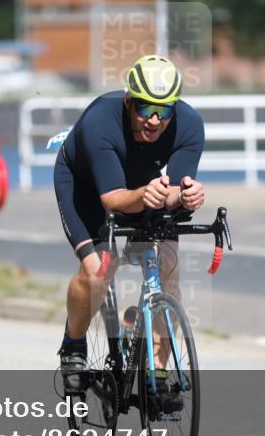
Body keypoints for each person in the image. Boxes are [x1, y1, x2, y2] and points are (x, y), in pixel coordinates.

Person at [52, 54, 206, 390]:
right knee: (100, 270)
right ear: (127, 101)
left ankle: (158, 372)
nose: (153, 119)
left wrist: (185, 196)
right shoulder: (100, 122)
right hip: (87, 187)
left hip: (141, 184)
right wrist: (147, 195)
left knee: (169, 271)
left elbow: (173, 191)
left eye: (163, 110)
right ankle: (73, 344)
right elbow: (112, 201)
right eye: (143, 108)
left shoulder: (189, 125)